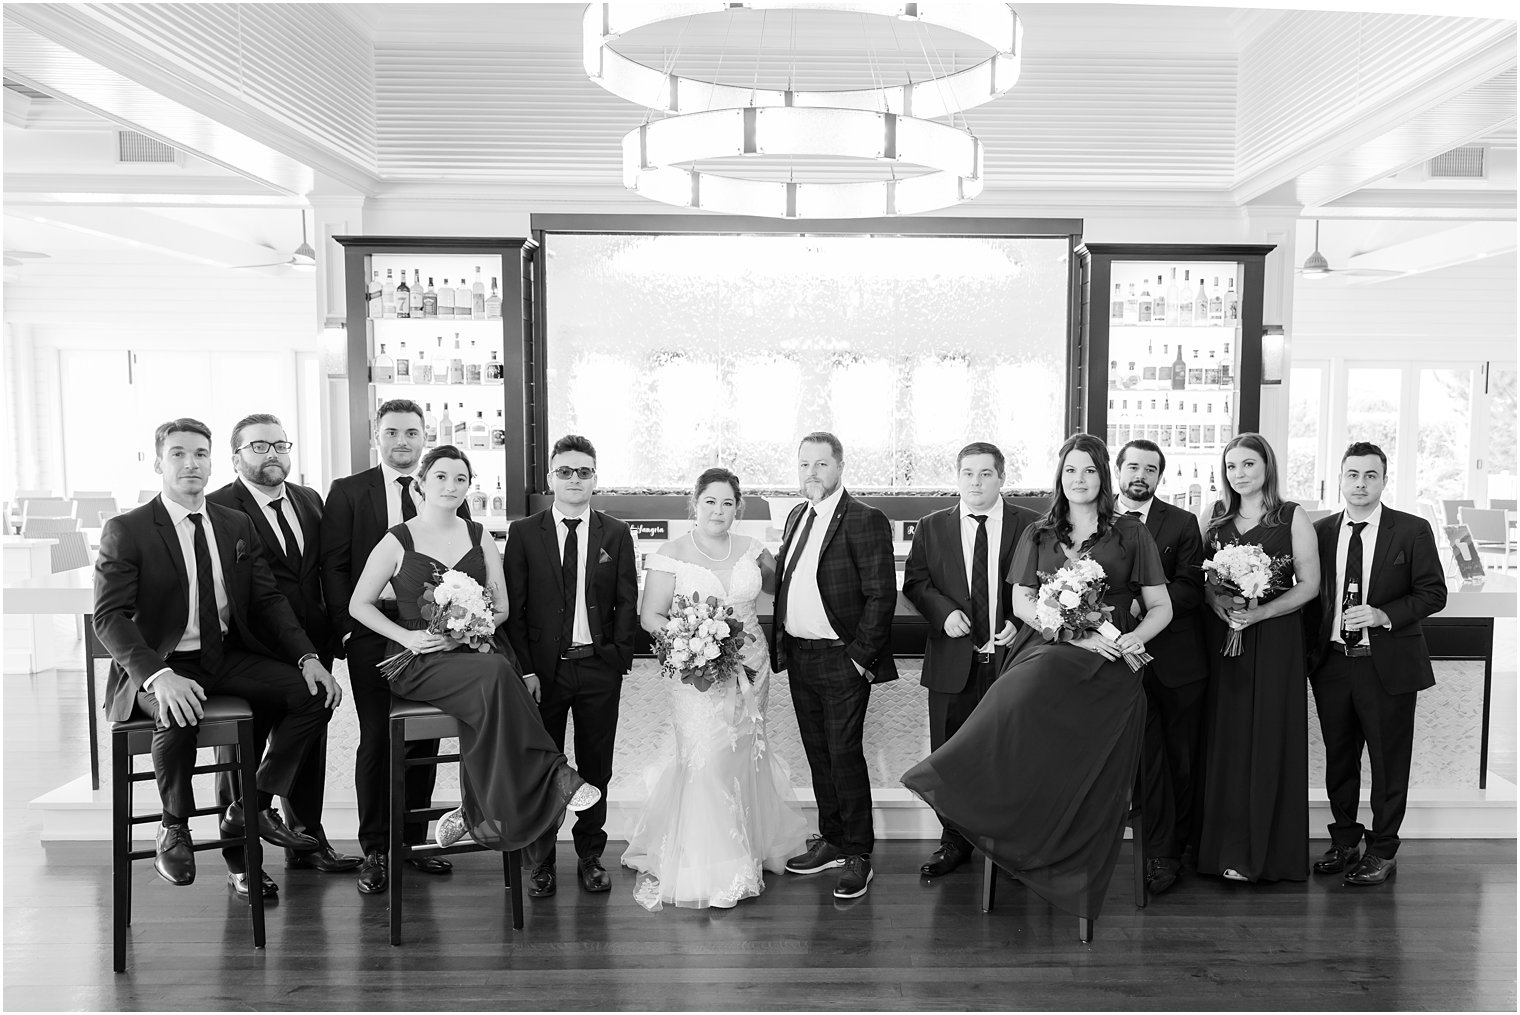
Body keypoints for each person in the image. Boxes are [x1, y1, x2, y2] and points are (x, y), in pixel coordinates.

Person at [903, 433, 1173, 927]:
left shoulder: (1131, 534)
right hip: (1050, 647)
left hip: (1110, 664)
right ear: (1060, 477)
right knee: (1014, 690)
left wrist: (1135, 640)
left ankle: (1034, 831)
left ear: (1102, 477)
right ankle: (976, 798)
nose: (1079, 479)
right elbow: (1023, 601)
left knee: (1024, 695)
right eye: (1071, 470)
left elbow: (1161, 607)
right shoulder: (1040, 533)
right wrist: (1069, 632)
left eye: (1089, 470)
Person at [94, 418, 340, 896]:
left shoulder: (233, 524)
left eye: (200, 454)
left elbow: (268, 601)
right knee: (178, 709)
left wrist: (308, 657)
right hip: (159, 664)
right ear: (159, 462)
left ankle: (252, 804)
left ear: (212, 461)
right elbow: (109, 617)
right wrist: (157, 675)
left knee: (314, 694)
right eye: (179, 454)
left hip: (223, 656)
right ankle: (174, 827)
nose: (191, 463)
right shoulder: (128, 529)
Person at [349, 445, 597, 864]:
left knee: (494, 682)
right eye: (441, 477)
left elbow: (499, 608)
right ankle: (554, 773)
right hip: (419, 655)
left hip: (475, 647)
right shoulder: (397, 539)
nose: (451, 485)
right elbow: (359, 604)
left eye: (460, 478)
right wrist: (407, 638)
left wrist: (471, 627)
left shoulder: (479, 534)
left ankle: (474, 808)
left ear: (469, 487)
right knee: (499, 673)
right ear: (421, 484)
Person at [622, 468, 807, 910]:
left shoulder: (754, 551)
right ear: (695, 503)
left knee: (745, 753)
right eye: (710, 501)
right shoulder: (671, 554)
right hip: (696, 675)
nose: (718, 511)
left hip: (752, 667)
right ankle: (714, 863)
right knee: (707, 759)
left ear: (738, 508)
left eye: (727, 503)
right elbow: (651, 616)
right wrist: (691, 645)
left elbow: (787, 590)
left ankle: (749, 845)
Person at [209, 413, 360, 887]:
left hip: (312, 643)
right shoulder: (216, 508)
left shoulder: (310, 499)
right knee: (242, 752)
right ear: (236, 457)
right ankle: (243, 863)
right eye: (259, 446)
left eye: (280, 444)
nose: (272, 453)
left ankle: (306, 839)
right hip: (250, 648)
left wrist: (334, 635)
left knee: (308, 747)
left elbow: (320, 572)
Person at [321, 400, 465, 894]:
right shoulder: (347, 492)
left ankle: (413, 843)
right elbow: (334, 567)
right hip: (371, 629)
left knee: (424, 738)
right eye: (392, 432)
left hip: (429, 633)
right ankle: (376, 851)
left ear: (424, 436)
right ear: (375, 436)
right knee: (379, 737)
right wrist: (346, 630)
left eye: (411, 432)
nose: (402, 441)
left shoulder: (447, 489)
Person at [1305, 442, 1446, 886]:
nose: (1360, 483)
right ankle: (1345, 840)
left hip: (1385, 665)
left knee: (1388, 762)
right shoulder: (1321, 531)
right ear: (1340, 478)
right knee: (1339, 759)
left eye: (1370, 475)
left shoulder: (1412, 530)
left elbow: (1433, 593)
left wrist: (1384, 615)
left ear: (1384, 480)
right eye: (1352, 474)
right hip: (1332, 665)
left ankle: (1383, 848)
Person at [503, 435, 638, 898]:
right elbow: (515, 610)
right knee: (543, 767)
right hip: (543, 672)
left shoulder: (615, 533)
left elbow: (626, 600)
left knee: (596, 766)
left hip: (598, 668)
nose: (574, 479)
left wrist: (618, 656)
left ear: (595, 478)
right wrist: (525, 670)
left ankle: (590, 856)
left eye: (584, 471)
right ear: (551, 478)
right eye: (566, 471)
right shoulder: (524, 532)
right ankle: (539, 862)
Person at [770, 431, 897, 900]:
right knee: (819, 753)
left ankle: (859, 852)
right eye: (804, 464)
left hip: (842, 660)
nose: (811, 473)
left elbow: (881, 595)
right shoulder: (796, 516)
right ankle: (834, 840)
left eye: (821, 464)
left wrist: (859, 659)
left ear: (839, 467)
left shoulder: (865, 519)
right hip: (801, 657)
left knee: (844, 754)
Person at [902, 441, 1038, 878]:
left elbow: (1046, 585)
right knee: (950, 755)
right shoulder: (931, 525)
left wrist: (1023, 621)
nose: (976, 482)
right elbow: (916, 582)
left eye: (985, 474)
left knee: (1011, 752)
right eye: (968, 473)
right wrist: (943, 614)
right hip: (952, 661)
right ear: (957, 477)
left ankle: (1011, 845)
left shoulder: (1031, 525)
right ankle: (954, 839)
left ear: (1002, 477)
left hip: (1012, 659)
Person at [1196, 433, 1319, 884]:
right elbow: (1203, 579)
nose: (1239, 474)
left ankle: (1270, 855)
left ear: (1267, 467)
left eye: (1249, 464)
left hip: (1275, 641)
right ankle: (1222, 852)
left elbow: (1309, 585)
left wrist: (1261, 611)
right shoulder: (1214, 516)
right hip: (1225, 638)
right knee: (1226, 738)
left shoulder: (1291, 516)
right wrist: (1219, 604)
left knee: (1268, 735)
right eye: (1231, 466)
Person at [1114, 439, 1207, 895]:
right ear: (1117, 470)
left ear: (1159, 477)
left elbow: (1191, 588)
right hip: (1111, 662)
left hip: (1174, 664)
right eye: (1133, 466)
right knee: (1128, 763)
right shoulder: (1096, 519)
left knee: (1175, 762)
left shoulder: (1183, 523)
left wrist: (1148, 604)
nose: (1141, 475)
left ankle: (1168, 855)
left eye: (1151, 469)